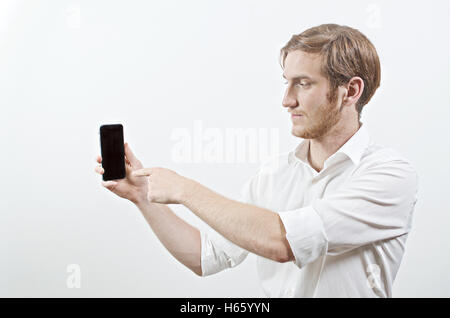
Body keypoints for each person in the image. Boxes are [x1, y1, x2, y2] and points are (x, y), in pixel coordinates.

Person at [94, 24, 418, 297]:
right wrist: (142, 197)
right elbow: (206, 257)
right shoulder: (275, 173)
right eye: (286, 82)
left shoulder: (389, 175)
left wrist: (184, 189)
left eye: (303, 83)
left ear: (350, 91)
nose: (287, 100)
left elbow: (283, 242)